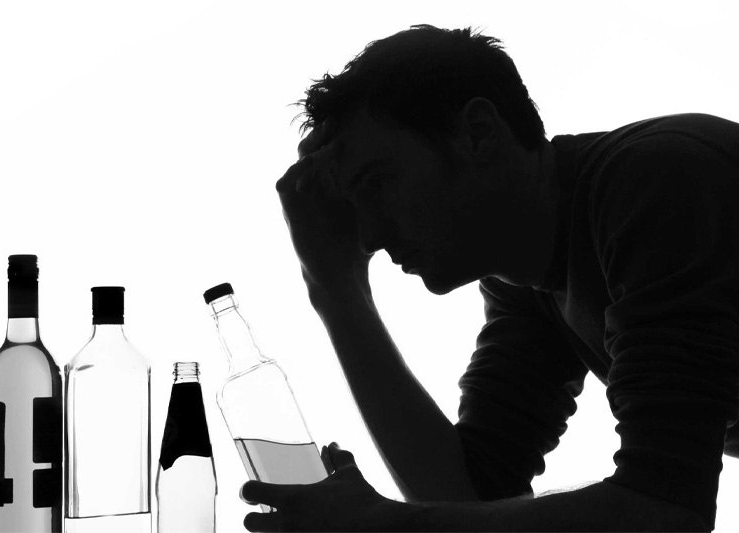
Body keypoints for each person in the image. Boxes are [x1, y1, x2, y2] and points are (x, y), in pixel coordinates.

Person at [241, 25, 739, 532]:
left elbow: (664, 513)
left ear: (479, 131)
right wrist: (335, 289)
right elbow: (464, 496)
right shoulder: (526, 278)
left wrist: (379, 525)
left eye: (377, 184)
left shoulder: (660, 184)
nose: (368, 236)